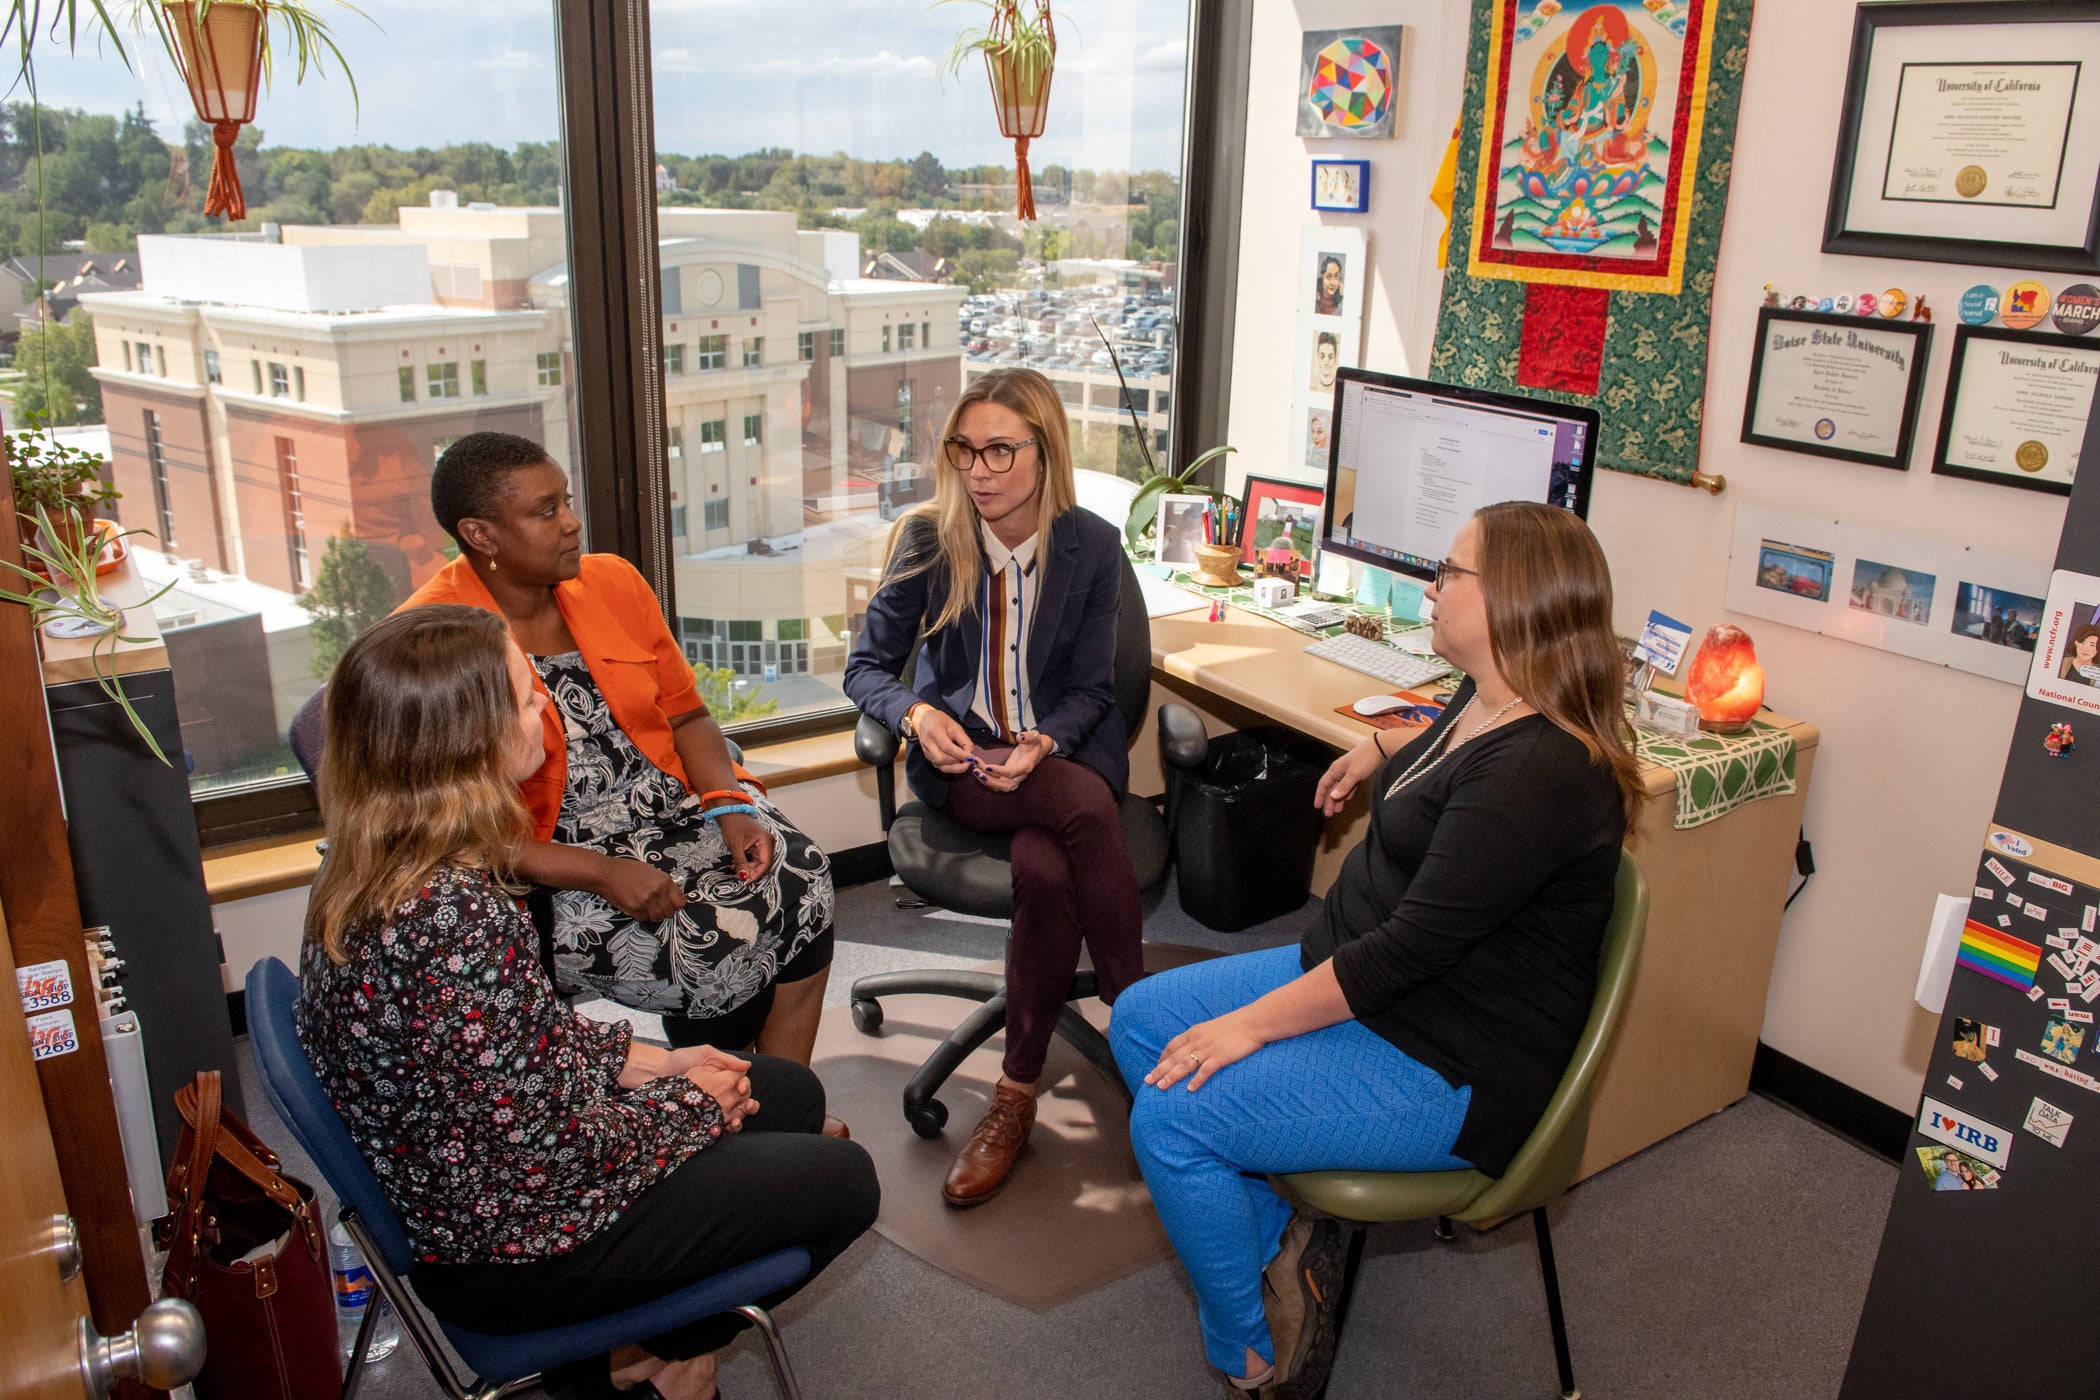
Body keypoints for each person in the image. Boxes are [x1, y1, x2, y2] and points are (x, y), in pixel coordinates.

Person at [1109, 502, 1644, 1397]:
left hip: (1448, 1054)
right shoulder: (1490, 696)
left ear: (1511, 600)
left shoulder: (1540, 775)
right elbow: (1444, 756)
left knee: (1172, 1116)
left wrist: (1250, 1028)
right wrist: (1376, 746)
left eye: (1452, 572)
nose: (1433, 586)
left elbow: (1402, 955)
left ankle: (1249, 1358)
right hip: (1368, 977)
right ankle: (1278, 1248)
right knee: (1138, 1022)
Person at [296, 606, 878, 1400]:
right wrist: (691, 1103)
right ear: (469, 737)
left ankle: (637, 1355)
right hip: (515, 1251)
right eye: (521, 690)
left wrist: (655, 1061)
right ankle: (661, 1361)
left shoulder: (381, 866)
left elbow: (516, 1043)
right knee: (845, 1181)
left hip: (475, 1186)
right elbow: (549, 1163)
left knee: (791, 1092)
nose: (542, 697)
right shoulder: (454, 916)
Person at [401, 433, 838, 1079]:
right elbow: (454, 835)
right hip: (551, 862)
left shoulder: (612, 582)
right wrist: (602, 872)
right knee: (712, 946)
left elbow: (688, 715)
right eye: (546, 511)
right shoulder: (433, 640)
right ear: (481, 534)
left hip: (674, 806)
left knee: (804, 877)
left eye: (567, 502)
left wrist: (729, 803)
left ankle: (785, 1102)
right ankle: (739, 1103)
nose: (572, 522)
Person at [843, 366, 1143, 1208]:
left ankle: (1013, 1095)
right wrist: (915, 718)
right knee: (1084, 810)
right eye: (965, 450)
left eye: (1001, 450)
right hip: (967, 767)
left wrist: (1046, 740)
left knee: (1048, 869)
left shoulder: (1090, 545)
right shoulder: (930, 541)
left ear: (1045, 454)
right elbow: (865, 668)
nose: (979, 470)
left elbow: (1094, 689)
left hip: (1058, 760)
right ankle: (1145, 1028)